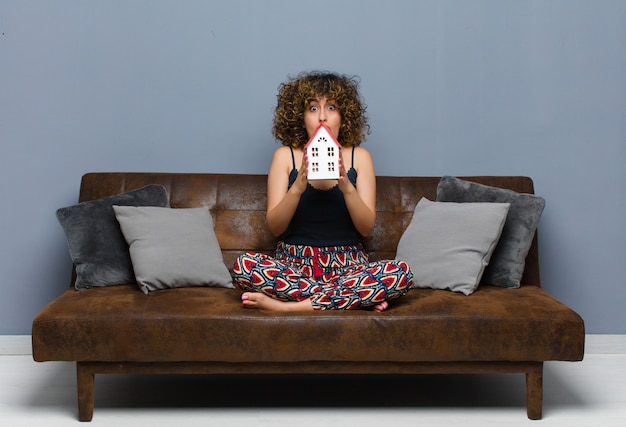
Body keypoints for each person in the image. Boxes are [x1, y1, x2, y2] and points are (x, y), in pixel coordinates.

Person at [233, 71, 413, 312]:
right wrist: (298, 186)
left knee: (400, 273)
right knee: (243, 266)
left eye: (331, 107)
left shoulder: (359, 157)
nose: (323, 118)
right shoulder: (285, 157)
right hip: (294, 265)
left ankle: (290, 308)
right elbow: (276, 227)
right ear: (300, 115)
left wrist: (346, 186)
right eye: (313, 108)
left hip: (349, 266)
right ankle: (353, 299)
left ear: (344, 115)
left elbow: (366, 228)